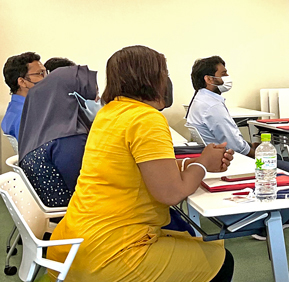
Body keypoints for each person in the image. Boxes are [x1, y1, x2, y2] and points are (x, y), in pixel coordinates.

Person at [48, 45, 235, 282]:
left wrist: (194, 162)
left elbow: (137, 169)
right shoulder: (147, 119)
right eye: (163, 72)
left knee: (198, 244)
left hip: (72, 246)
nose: (166, 80)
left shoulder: (108, 113)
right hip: (110, 255)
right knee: (219, 259)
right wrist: (202, 164)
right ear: (149, 77)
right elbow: (171, 193)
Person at [186, 55, 289, 234]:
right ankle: (269, 224)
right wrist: (252, 149)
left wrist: (252, 146)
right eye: (223, 73)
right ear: (209, 79)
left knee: (272, 156)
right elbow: (235, 146)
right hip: (230, 159)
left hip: (220, 154)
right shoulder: (211, 106)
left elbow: (230, 137)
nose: (227, 78)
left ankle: (267, 211)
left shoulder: (202, 99)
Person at [17, 63, 97, 207]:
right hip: (68, 214)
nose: (97, 100)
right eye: (91, 94)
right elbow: (85, 188)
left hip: (46, 208)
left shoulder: (40, 129)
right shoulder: (68, 137)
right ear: (71, 97)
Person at [1, 52, 46, 142]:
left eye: (45, 72)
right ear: (22, 81)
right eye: (40, 73)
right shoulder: (28, 114)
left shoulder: (14, 109)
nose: (46, 77)